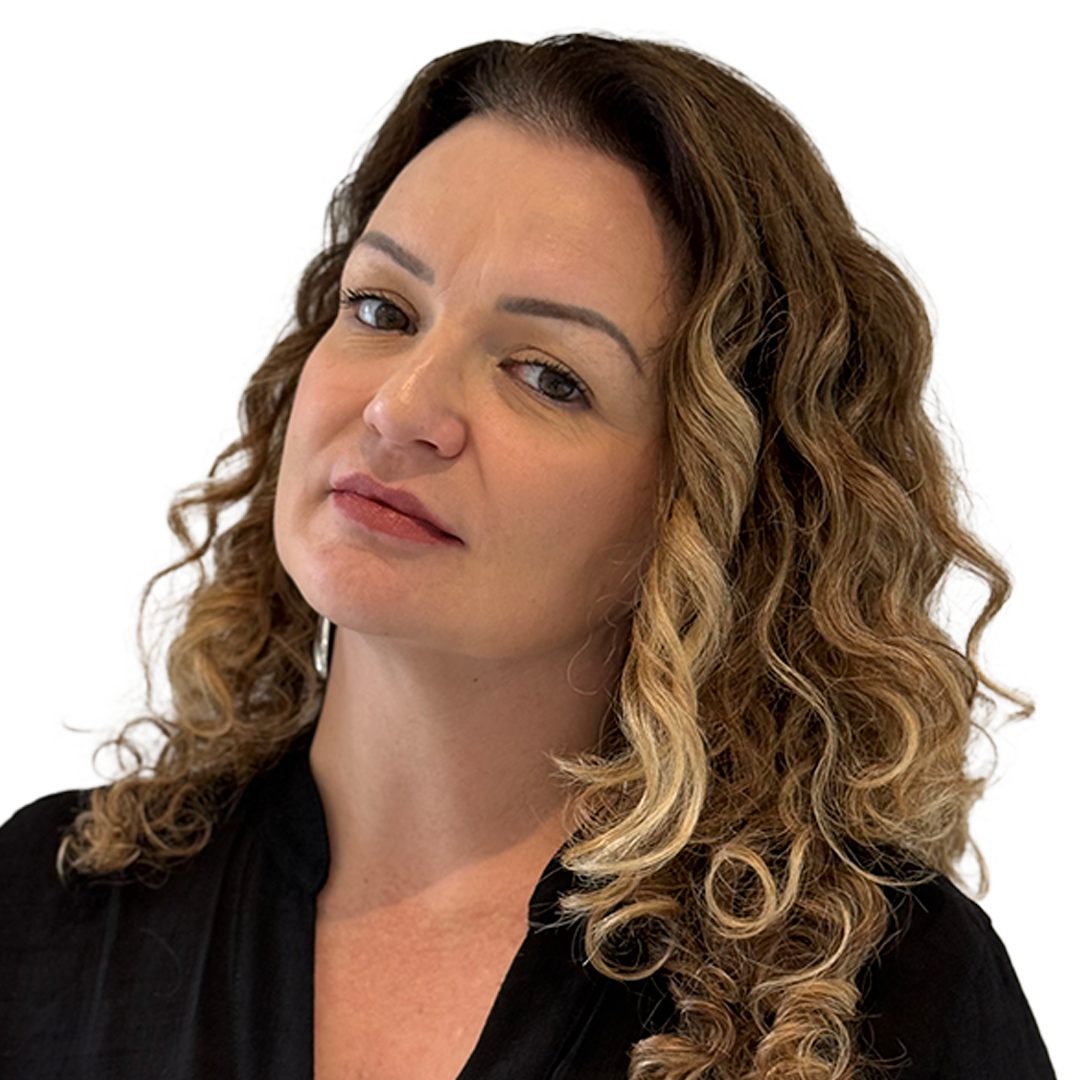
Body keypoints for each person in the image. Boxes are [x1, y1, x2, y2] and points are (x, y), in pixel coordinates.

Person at [0, 31, 1056, 1080]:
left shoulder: (884, 1001)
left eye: (547, 375)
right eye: (381, 309)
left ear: (715, 499)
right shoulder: (43, 913)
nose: (401, 408)